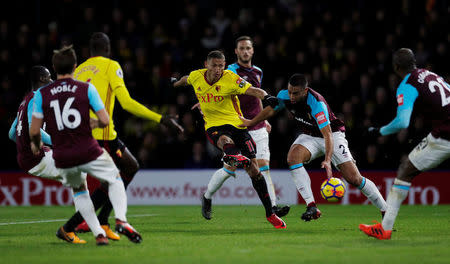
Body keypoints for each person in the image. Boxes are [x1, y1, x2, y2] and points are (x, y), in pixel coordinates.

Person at [61, 32, 183, 239]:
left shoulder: (78, 70)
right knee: (119, 176)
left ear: (90, 51)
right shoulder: (111, 66)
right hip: (103, 134)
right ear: (108, 49)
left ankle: (99, 222)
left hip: (81, 134)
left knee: (123, 171)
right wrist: (161, 119)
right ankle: (71, 227)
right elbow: (126, 103)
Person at [30, 45, 142, 245]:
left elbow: (35, 130)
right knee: (115, 178)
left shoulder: (42, 94)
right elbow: (105, 120)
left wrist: (36, 145)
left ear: (55, 68)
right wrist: (95, 123)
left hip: (62, 156)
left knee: (80, 191)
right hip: (86, 149)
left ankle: (98, 233)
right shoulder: (86, 88)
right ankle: (121, 221)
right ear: (75, 66)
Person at [240, 73, 387, 221]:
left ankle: (385, 209)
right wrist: (251, 122)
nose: (291, 96)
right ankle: (312, 206)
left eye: (295, 93)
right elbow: (271, 109)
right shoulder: (284, 95)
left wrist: (328, 160)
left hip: (332, 136)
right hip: (310, 135)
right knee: (293, 158)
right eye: (290, 91)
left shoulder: (317, 104)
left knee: (354, 178)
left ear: (305, 91)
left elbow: (328, 134)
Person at [172, 50, 286, 229]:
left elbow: (252, 90)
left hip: (238, 125)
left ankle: (270, 214)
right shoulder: (197, 76)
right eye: (214, 65)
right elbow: (186, 79)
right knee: (225, 141)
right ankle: (230, 156)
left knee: (255, 171)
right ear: (206, 64)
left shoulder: (230, 78)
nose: (218, 69)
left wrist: (267, 96)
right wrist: (176, 82)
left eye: (221, 66)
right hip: (214, 126)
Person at [359, 48, 450, 240]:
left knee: (406, 170)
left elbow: (402, 122)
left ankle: (385, 229)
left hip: (445, 135)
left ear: (396, 67)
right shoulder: (430, 74)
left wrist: (378, 131)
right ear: (414, 62)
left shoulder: (407, 85)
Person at [200, 36, 289, 220]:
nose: (245, 51)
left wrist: (264, 117)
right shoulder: (229, 71)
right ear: (236, 51)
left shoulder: (258, 71)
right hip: (236, 125)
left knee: (263, 166)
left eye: (248, 48)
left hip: (257, 125)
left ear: (253, 50)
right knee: (228, 170)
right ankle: (207, 196)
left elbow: (256, 94)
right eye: (242, 48)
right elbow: (214, 88)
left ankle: (272, 207)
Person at [8, 66, 88, 244]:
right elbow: (31, 128)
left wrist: (25, 146)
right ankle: (74, 227)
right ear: (42, 79)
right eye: (49, 77)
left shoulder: (24, 101)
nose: (52, 81)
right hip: (36, 159)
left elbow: (11, 134)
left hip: (26, 159)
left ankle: (82, 221)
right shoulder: (38, 98)